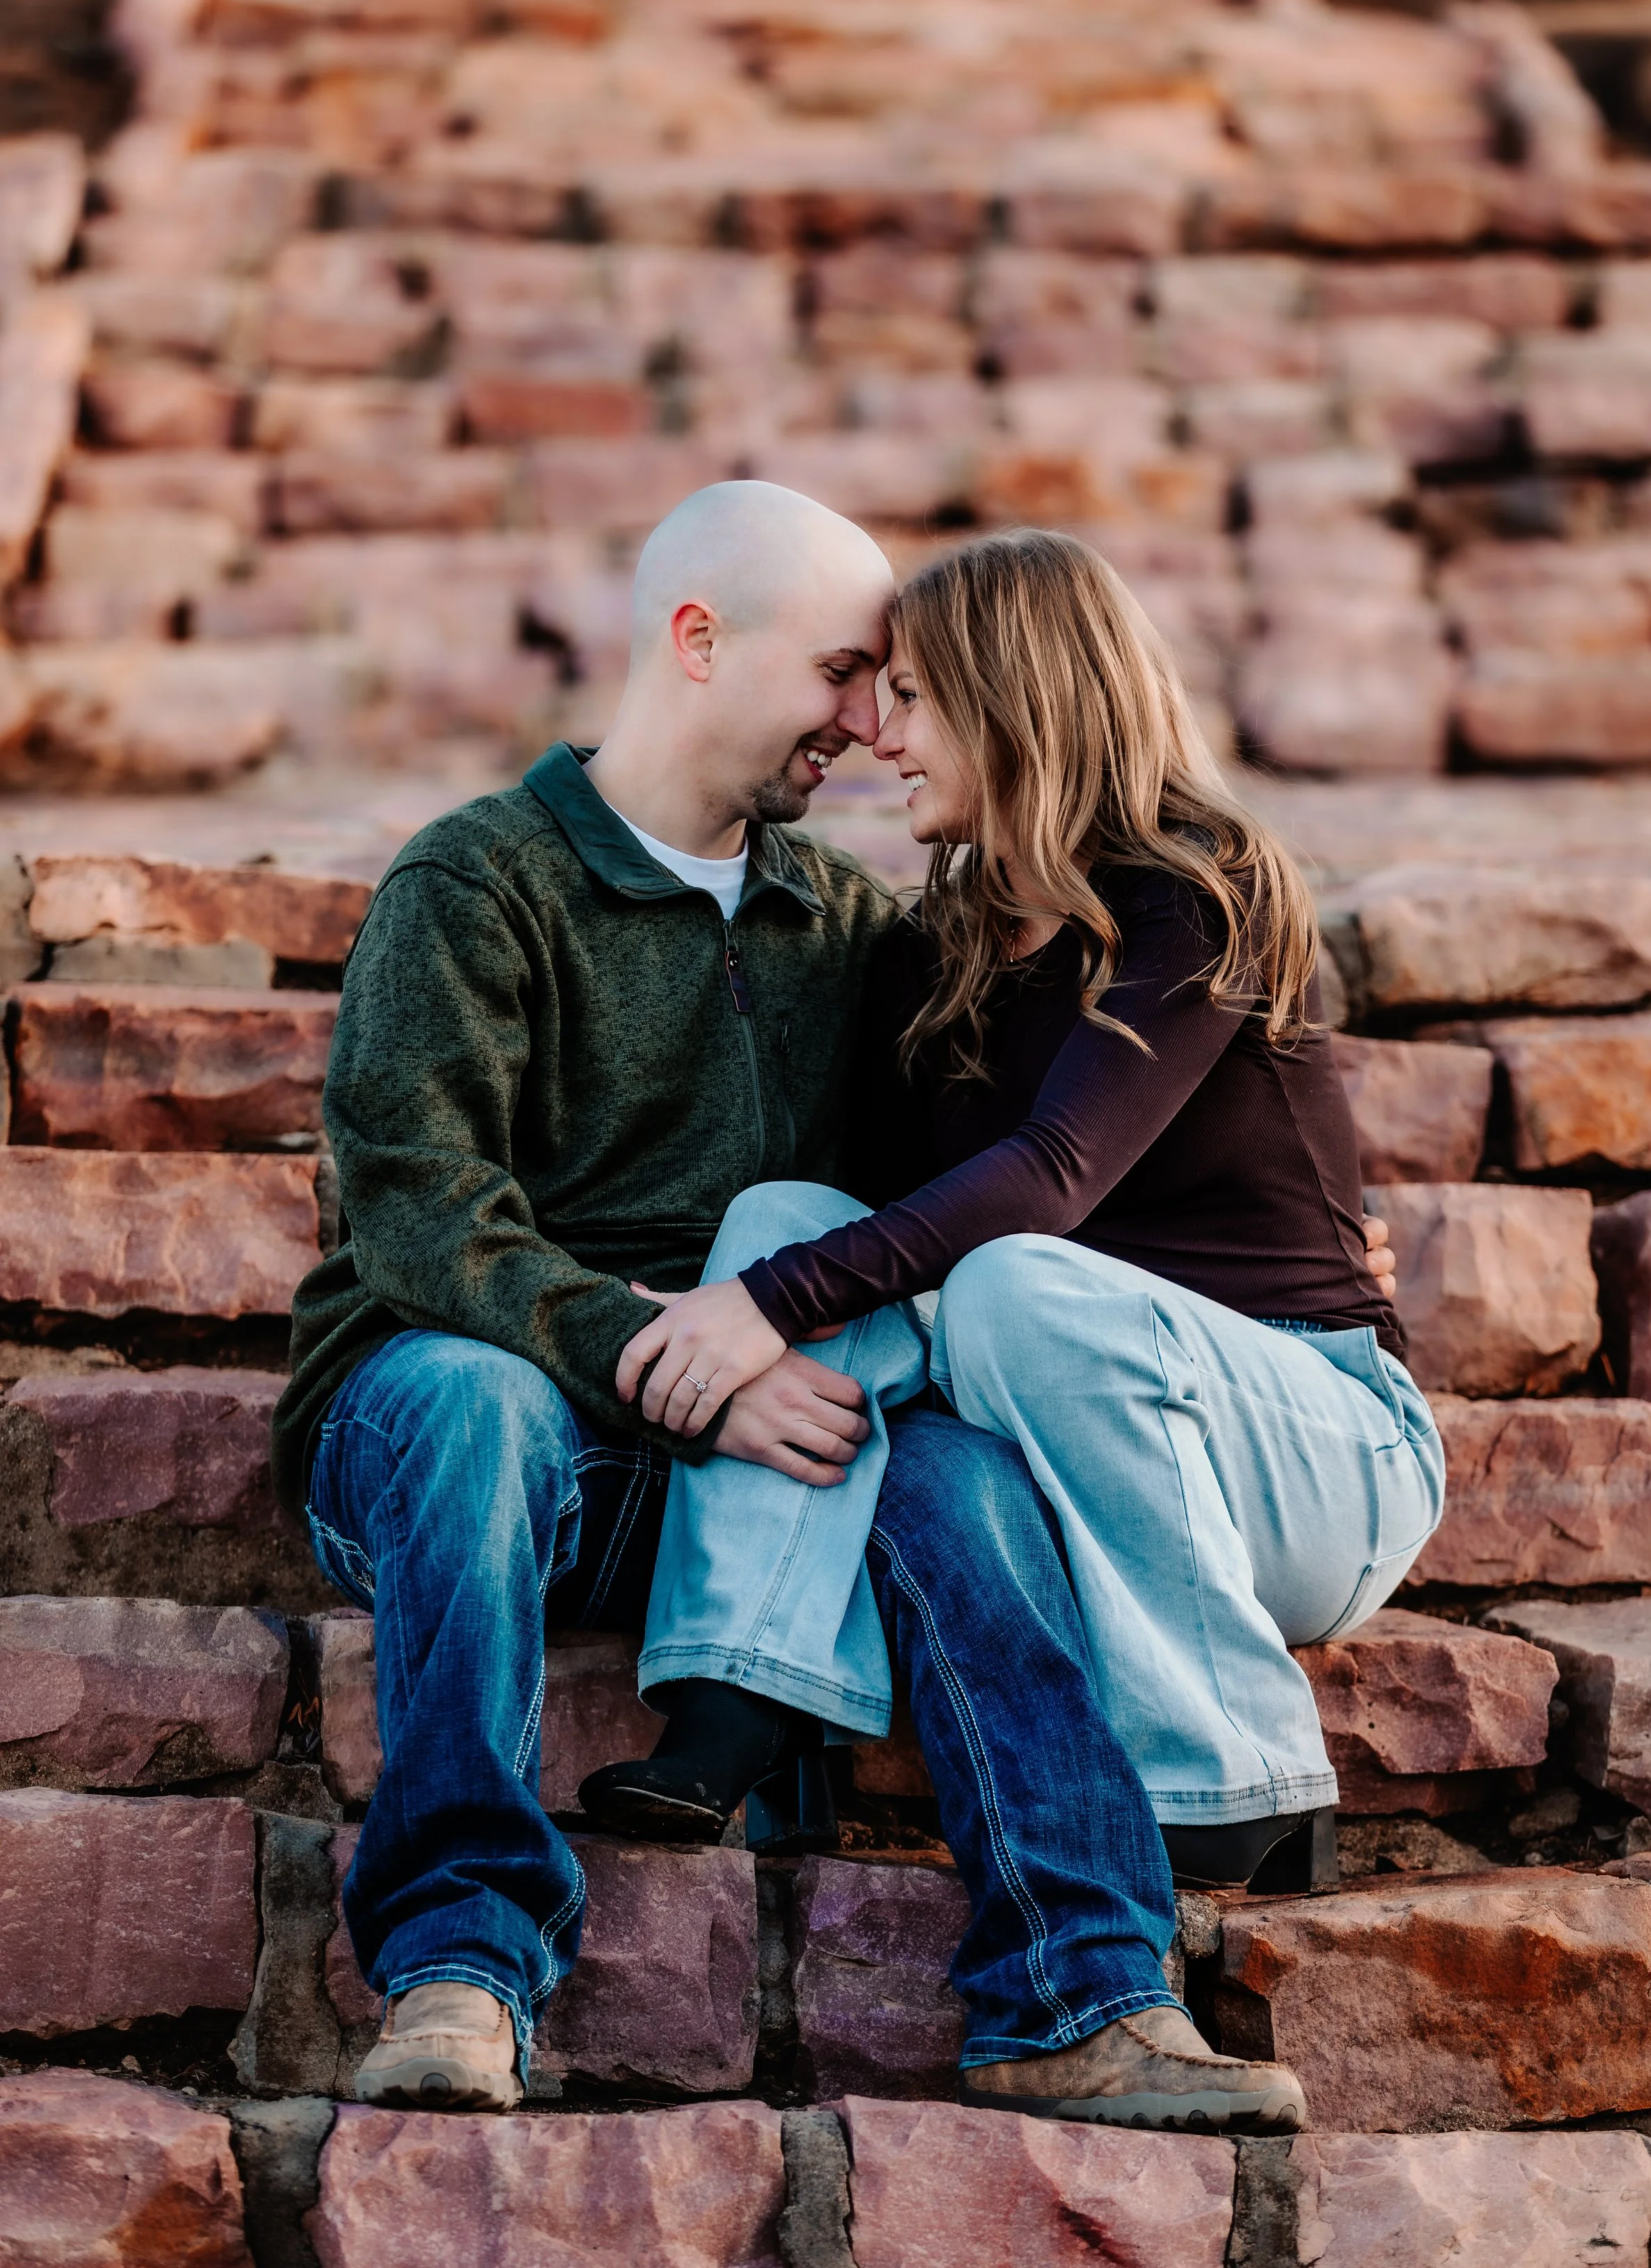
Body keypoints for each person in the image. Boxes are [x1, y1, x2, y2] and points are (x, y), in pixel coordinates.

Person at [275, 481, 1389, 2134]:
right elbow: (421, 1219)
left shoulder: (861, 931)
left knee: (956, 1471)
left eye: (894, 687)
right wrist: (674, 1361)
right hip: (484, 1418)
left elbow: (959, 1204)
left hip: (747, 1450)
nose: (865, 726)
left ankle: (1086, 1992)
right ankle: (458, 1962)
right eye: (842, 673)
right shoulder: (477, 883)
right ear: (699, 642)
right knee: (464, 1397)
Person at [584, 528, 1445, 1988]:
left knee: (1001, 1274)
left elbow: (1049, 1180)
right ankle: (741, 1690)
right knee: (787, 1220)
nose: (875, 733)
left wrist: (761, 1315)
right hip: (1087, 1435)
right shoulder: (940, 955)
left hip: (1315, 1454)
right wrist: (728, 1295)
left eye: (911, 697)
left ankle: (1238, 1776)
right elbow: (853, 1226)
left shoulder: (1197, 888)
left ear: (1015, 696)